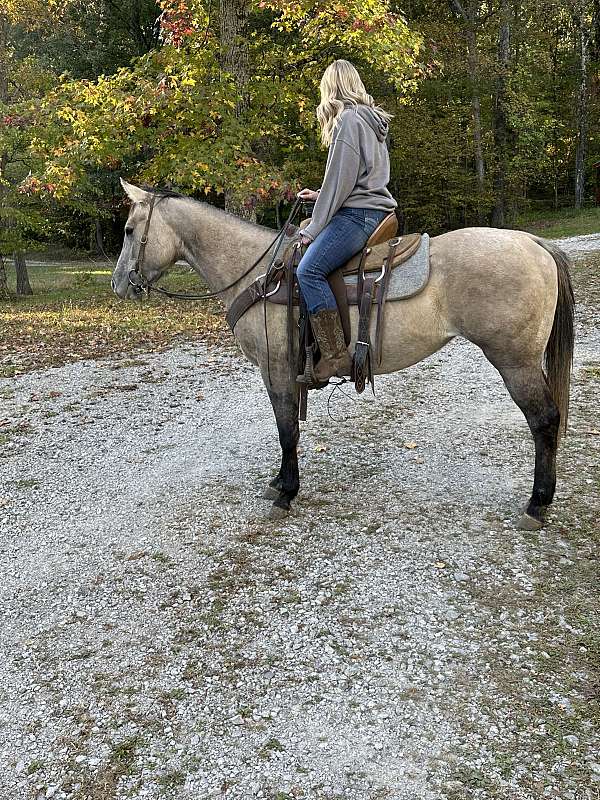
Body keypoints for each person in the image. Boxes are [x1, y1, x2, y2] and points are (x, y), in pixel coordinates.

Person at [295, 59, 397, 385]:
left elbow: (342, 185)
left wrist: (312, 229)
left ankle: (335, 353)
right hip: (375, 209)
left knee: (308, 270)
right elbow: (351, 179)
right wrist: (321, 194)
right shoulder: (370, 120)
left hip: (359, 214)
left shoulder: (348, 121)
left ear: (332, 89)